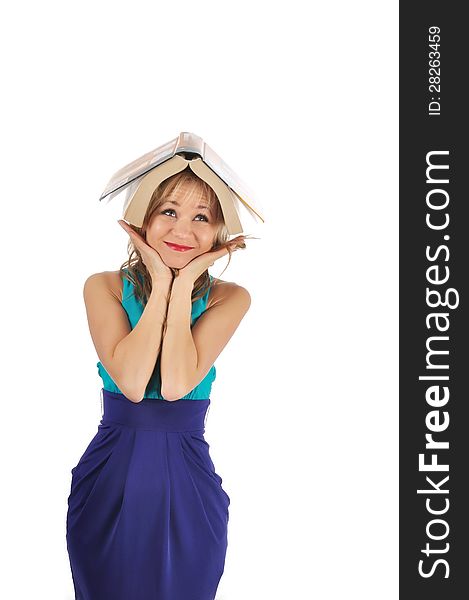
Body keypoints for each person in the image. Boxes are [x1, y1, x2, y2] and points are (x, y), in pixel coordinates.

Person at [66, 167, 251, 600]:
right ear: (144, 219)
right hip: (109, 477)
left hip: (187, 481)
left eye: (202, 218)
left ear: (220, 232)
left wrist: (183, 284)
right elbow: (131, 384)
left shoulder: (230, 297)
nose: (183, 229)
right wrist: (160, 281)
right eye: (169, 211)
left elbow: (175, 385)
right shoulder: (104, 287)